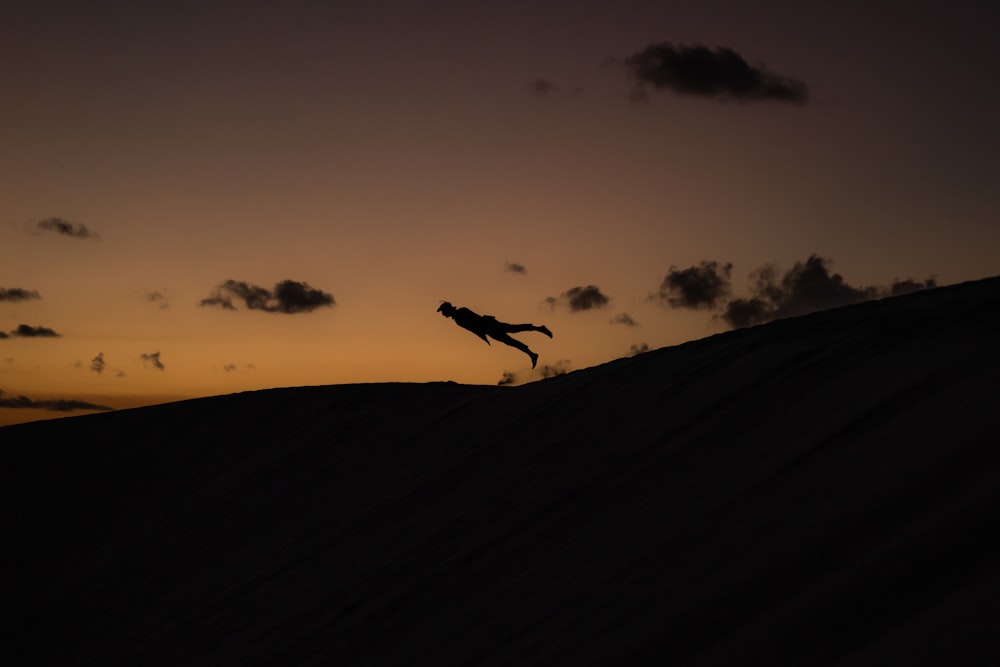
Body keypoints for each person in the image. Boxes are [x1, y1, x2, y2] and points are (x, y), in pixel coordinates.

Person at [437, 301, 552, 369]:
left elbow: (475, 322)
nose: (443, 314)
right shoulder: (458, 318)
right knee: (510, 339)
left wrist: (483, 331)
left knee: (513, 330)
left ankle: (538, 330)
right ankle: (532, 354)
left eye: (443, 312)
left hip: (489, 326)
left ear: (448, 310)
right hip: (488, 329)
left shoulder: (461, 313)